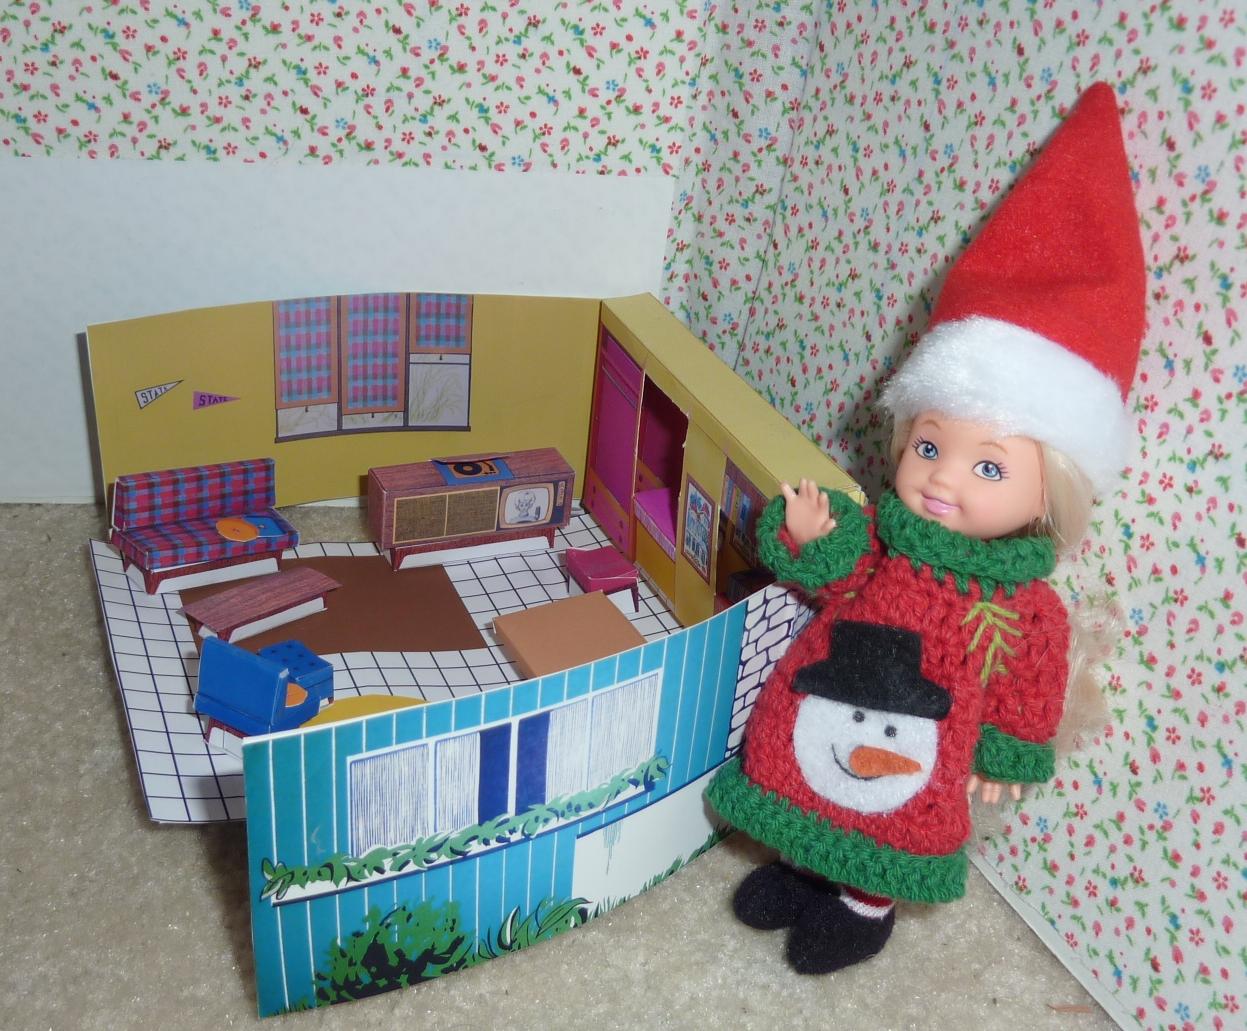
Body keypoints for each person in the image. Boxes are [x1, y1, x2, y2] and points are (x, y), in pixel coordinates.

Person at [705, 81, 1147, 974]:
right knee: (800, 775)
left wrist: (1005, 755)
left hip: (921, 743)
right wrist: (811, 534)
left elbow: (1027, 683)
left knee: (891, 816)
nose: (941, 476)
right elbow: (838, 571)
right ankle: (799, 866)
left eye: (987, 466)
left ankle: (863, 903)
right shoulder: (887, 538)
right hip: (820, 700)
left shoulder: (1022, 607)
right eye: (930, 445)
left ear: (1048, 491)